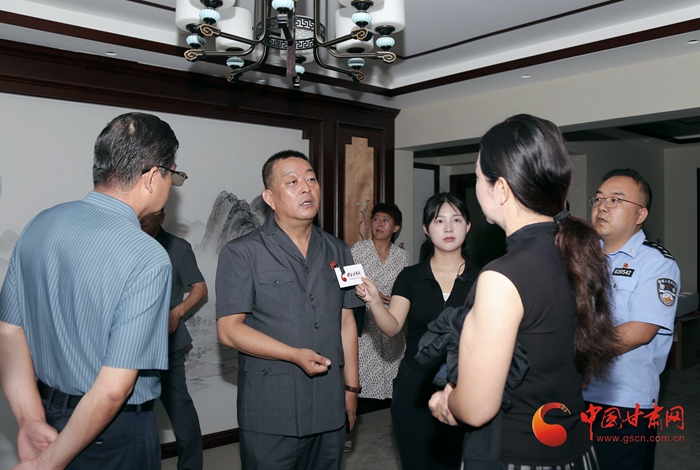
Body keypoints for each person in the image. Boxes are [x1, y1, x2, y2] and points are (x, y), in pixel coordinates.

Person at [429, 114, 619, 468]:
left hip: (519, 456)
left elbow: (476, 408)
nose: (477, 186)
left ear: (501, 189)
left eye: (478, 177)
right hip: (576, 451)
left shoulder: (502, 277)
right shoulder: (575, 253)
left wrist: (445, 401)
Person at [0, 112, 183, 470]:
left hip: (48, 417)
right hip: (112, 434)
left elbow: (8, 333)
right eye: (173, 174)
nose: (171, 185)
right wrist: (47, 463)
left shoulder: (40, 224)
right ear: (151, 177)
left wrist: (31, 420)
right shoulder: (147, 254)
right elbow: (114, 389)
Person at [215, 150, 364, 470]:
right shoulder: (241, 252)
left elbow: (347, 321)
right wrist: (293, 354)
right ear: (269, 197)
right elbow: (229, 330)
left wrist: (351, 388)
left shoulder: (340, 250)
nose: (307, 188)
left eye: (311, 179)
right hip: (271, 408)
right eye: (293, 182)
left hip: (328, 403)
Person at [356, 192, 480, 470]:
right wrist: (374, 301)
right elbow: (392, 327)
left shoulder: (483, 279)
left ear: (468, 226)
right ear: (426, 228)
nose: (448, 228)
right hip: (414, 385)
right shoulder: (410, 276)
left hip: (464, 386)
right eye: (439, 220)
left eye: (456, 220)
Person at [583, 168, 680, 470]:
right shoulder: (582, 258)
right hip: (574, 395)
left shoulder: (657, 263)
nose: (603, 206)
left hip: (624, 403)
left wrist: (575, 355)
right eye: (599, 199)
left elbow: (640, 331)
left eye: (616, 200)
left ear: (641, 215)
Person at [140, 208, 208, 470]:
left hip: (167, 342)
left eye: (149, 214)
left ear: (162, 217)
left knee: (179, 406)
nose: (142, 219)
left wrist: (178, 312)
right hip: (131, 343)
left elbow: (200, 288)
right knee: (137, 412)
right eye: (138, 213)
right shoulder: (124, 242)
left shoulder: (178, 247)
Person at [351, 203, 410, 401]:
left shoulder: (401, 256)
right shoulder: (359, 250)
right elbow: (347, 283)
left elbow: (406, 288)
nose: (379, 224)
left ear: (396, 227)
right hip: (366, 324)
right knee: (364, 382)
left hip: (393, 321)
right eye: (376, 219)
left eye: (386, 221)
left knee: (395, 385)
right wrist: (369, 294)